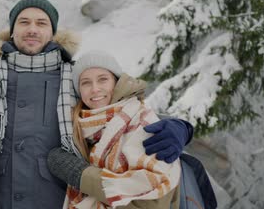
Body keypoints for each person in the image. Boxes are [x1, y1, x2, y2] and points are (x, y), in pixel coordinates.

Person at [0, 0, 193, 209]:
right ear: (12, 30)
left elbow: (120, 109)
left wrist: (180, 128)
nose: (32, 29)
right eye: (24, 22)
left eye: (41, 23)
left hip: (57, 199)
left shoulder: (75, 77)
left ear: (53, 32)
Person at [48, 50, 181, 208]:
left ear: (116, 82)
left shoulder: (141, 121)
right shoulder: (79, 131)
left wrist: (80, 175)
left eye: (103, 79)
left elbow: (152, 202)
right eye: (86, 82)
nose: (95, 89)